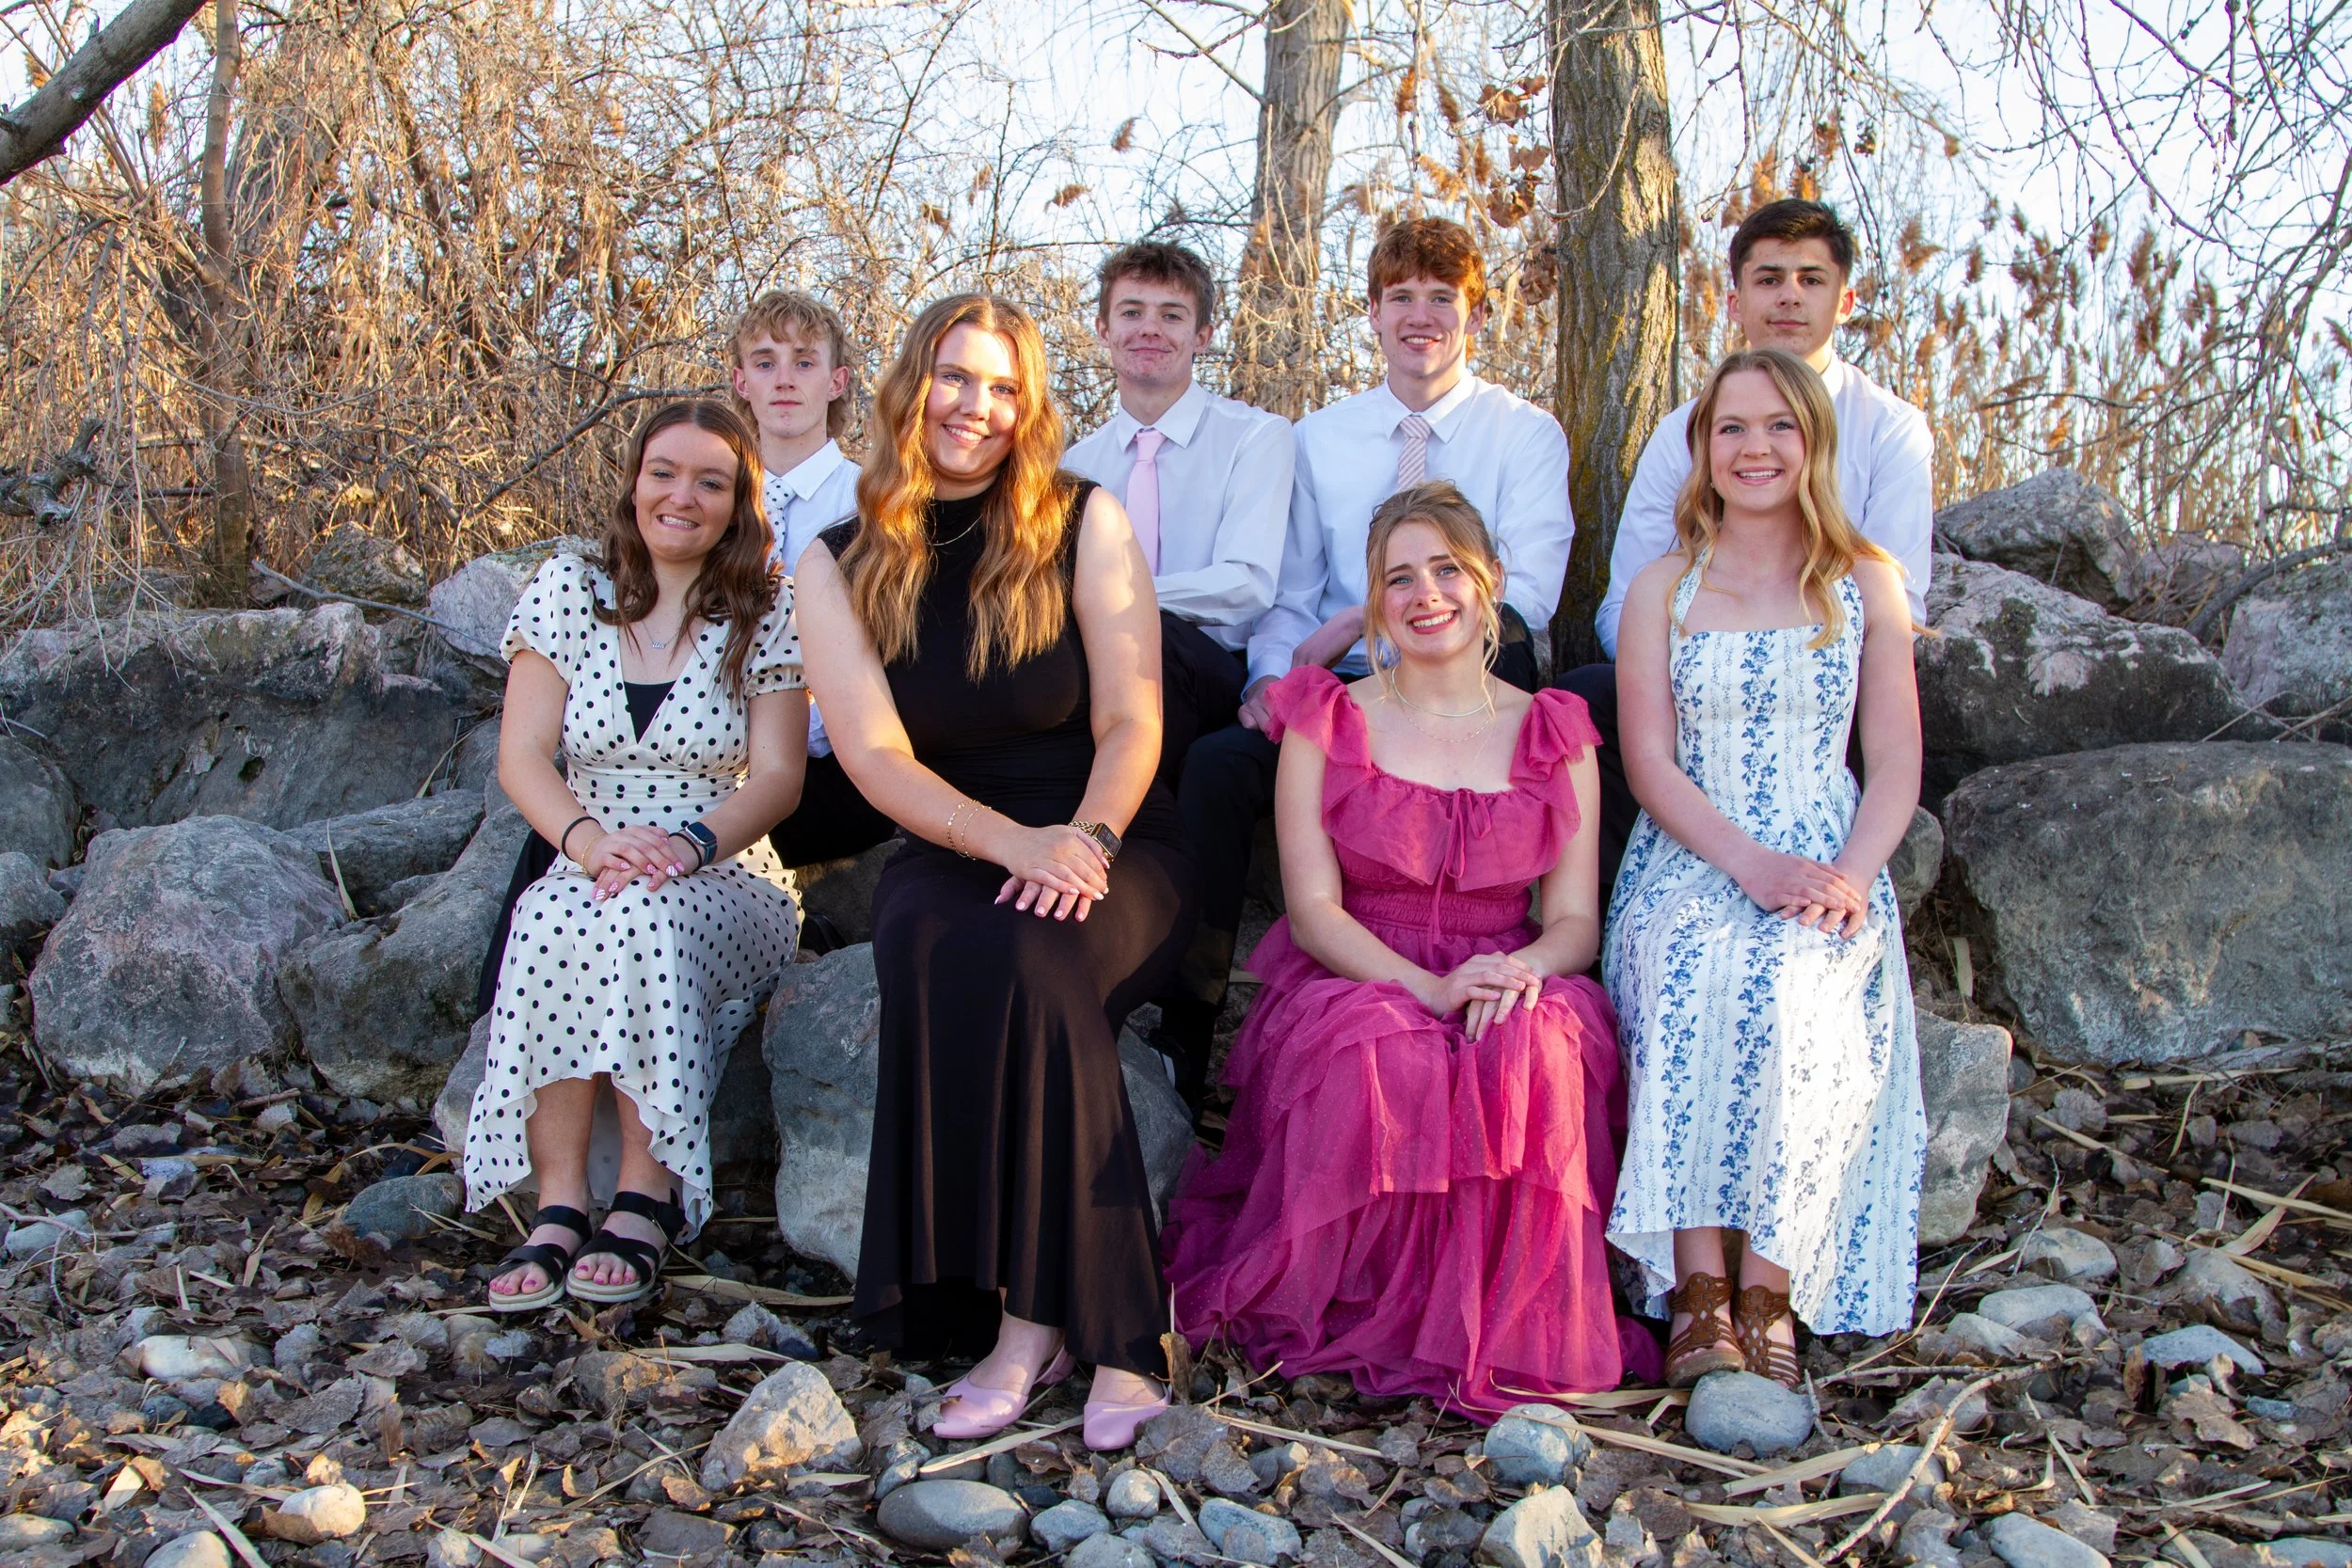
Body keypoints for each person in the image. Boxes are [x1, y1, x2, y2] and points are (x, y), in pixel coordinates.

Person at [794, 293, 1197, 1450]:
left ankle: (1064, 1330)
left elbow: (1133, 719)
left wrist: (1085, 841)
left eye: (1004, 386)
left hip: (1114, 832)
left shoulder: (1082, 518)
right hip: (951, 837)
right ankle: (1046, 1321)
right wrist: (1004, 842)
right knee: (935, 939)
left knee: (1040, 956)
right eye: (956, 378)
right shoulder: (836, 558)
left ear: (1031, 407)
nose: (977, 406)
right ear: (911, 384)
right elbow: (871, 755)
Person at [1163, 483, 1657, 1417]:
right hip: (1363, 964)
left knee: (1534, 1051)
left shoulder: (1555, 728)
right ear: (1373, 600)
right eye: (1399, 577)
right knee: (1380, 1053)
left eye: (1446, 569)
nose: (1425, 594)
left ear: (1490, 583)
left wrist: (1520, 973)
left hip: (1511, 962)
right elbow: (1312, 908)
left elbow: (1574, 921)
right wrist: (1428, 986)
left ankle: (1510, 1328)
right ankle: (1362, 1312)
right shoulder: (1328, 716)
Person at [1161, 216, 1573, 1115]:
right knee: (1220, 767)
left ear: (1476, 313)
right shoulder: (1321, 436)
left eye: (1441, 298)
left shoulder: (1525, 435)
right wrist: (1271, 679)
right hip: (1344, 696)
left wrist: (1372, 611)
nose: (1420, 316)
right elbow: (1289, 593)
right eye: (1400, 298)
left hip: (1471, 682)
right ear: (1373, 315)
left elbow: (1528, 599)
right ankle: (1179, 1047)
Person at [1603, 348, 1926, 1388]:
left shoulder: (1864, 580)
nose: (1755, 447)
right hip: (1696, 846)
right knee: (1692, 963)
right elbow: (1648, 764)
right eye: (1731, 427)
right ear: (1701, 450)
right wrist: (1743, 862)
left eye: (1780, 426)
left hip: (1827, 849)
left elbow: (1895, 767)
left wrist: (1846, 877)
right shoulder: (1663, 585)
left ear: (1814, 443)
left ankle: (1770, 1286)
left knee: (1795, 984)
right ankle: (1698, 1282)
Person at [468, 400, 807, 1311]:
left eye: (711, 480)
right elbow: (522, 756)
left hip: (724, 869)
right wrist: (585, 841)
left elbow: (777, 778)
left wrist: (687, 846)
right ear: (632, 480)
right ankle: (559, 1201)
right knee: (544, 911)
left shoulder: (767, 607)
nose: (682, 496)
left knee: (645, 912)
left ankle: (646, 1197)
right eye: (664, 471)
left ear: (739, 502)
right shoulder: (567, 586)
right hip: (592, 849)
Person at [1560, 198, 1935, 902]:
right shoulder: (1686, 432)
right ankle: (1607, 920)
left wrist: (1786, 664)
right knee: (1592, 696)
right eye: (1768, 279)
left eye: (1810, 279)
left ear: (1844, 298)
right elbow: (1624, 600)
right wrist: (1697, 668)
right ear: (1735, 301)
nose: (1789, 295)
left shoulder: (1891, 429)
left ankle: (1847, 870)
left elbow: (1898, 600)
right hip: (1697, 675)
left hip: (1830, 670)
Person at [1062, 241, 1292, 784]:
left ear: (1202, 337)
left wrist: (1115, 603)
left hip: (1209, 669)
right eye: (1131, 312)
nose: (1149, 329)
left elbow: (1249, 584)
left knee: (1157, 638)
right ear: (1102, 328)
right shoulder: (1075, 464)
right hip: (1097, 667)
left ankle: (1117, 834)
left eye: (1172, 315)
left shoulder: (1255, 438)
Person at [726, 290, 899, 871]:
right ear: (740, 381)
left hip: (833, 765)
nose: (784, 379)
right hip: (713, 751)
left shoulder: (874, 502)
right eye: (764, 361)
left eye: (804, 361)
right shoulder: (710, 495)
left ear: (837, 381)